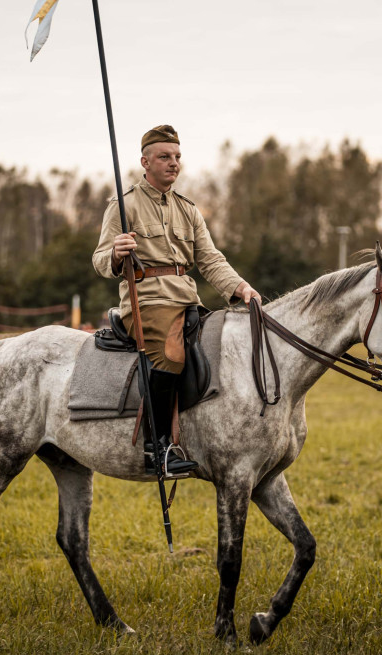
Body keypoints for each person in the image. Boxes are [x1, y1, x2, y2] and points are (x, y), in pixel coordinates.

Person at [93, 124, 261, 476]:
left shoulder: (189, 210)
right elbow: (99, 261)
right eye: (165, 157)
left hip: (187, 300)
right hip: (147, 302)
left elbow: (211, 260)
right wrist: (116, 253)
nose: (174, 163)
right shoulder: (124, 206)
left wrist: (240, 288)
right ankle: (159, 449)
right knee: (171, 354)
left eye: (178, 157)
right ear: (146, 161)